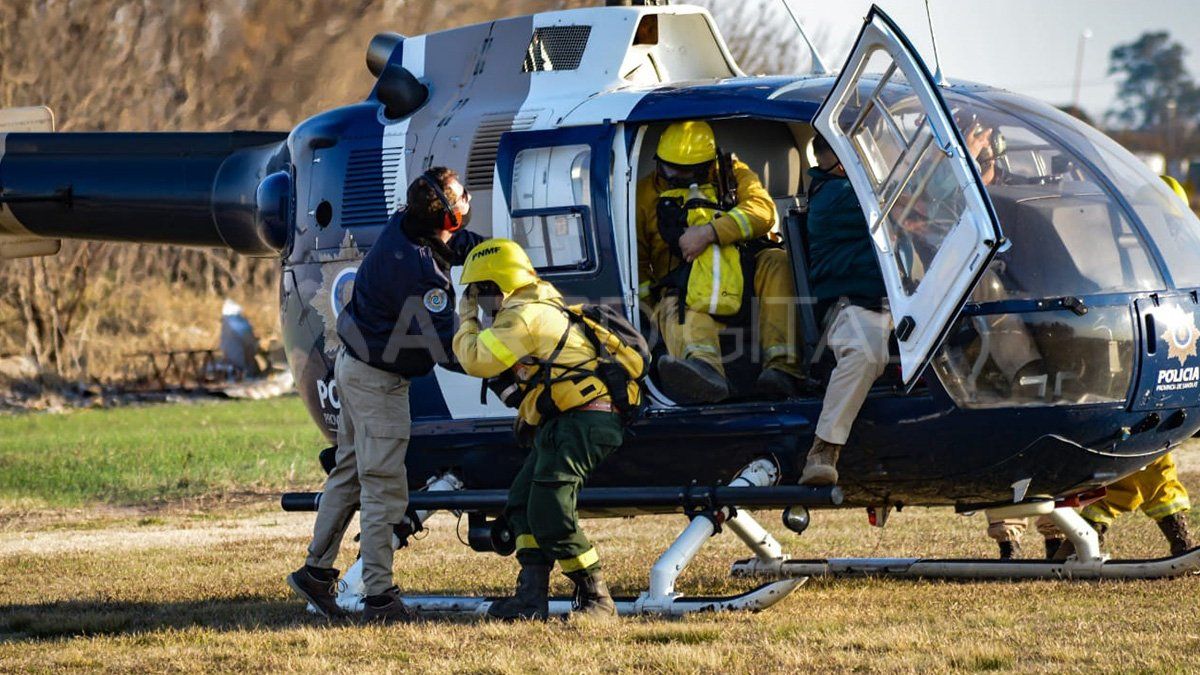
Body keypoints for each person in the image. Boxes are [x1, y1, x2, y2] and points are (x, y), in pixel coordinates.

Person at [287, 167, 484, 623]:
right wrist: (498, 359)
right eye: (462, 199)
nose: (468, 201)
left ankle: (316, 571)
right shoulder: (424, 278)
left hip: (354, 366)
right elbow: (449, 349)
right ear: (449, 219)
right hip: (378, 382)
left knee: (350, 471)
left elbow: (440, 241)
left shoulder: (405, 224)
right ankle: (379, 597)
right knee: (383, 488)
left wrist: (476, 249)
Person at [453, 239, 639, 621]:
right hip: (565, 421)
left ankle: (597, 599)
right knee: (522, 503)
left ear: (497, 286)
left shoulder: (524, 316)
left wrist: (466, 317)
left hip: (586, 419)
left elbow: (476, 358)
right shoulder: (539, 306)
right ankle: (530, 596)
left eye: (480, 292)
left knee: (551, 508)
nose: (480, 302)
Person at [636, 120, 803, 403]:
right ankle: (704, 373)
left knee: (776, 261)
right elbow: (638, 260)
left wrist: (709, 233)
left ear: (708, 163)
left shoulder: (732, 173)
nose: (677, 175)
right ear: (658, 160)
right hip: (682, 283)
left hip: (742, 269)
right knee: (674, 307)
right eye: (670, 167)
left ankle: (783, 369)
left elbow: (764, 212)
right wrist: (650, 309)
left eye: (688, 169)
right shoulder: (644, 195)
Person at [796, 133, 892, 486]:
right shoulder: (835, 197)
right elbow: (905, 202)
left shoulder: (860, 194)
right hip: (853, 305)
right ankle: (824, 448)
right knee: (866, 351)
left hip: (905, 304)